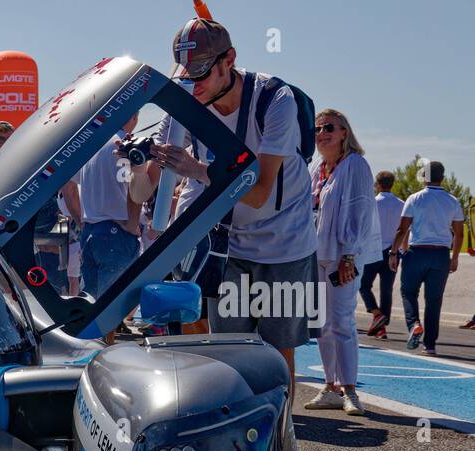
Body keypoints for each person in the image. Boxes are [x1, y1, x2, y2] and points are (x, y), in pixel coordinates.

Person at [131, 17, 318, 383]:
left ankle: (280, 437)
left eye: (200, 73)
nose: (192, 85)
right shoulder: (186, 99)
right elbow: (143, 192)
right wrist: (138, 166)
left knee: (277, 355)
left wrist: (196, 168)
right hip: (230, 245)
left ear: (228, 60)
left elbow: (261, 189)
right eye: (185, 74)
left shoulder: (275, 99)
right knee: (228, 351)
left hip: (286, 244)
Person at [303, 110, 379, 416]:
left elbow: (360, 210)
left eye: (329, 128)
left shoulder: (355, 165)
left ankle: (350, 390)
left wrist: (349, 254)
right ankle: (330, 386)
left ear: (344, 132)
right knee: (320, 326)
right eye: (318, 129)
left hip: (341, 257)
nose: (322, 133)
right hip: (315, 255)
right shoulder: (317, 169)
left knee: (343, 323)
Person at [390, 160, 465, 355]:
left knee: (408, 292)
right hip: (440, 254)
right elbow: (459, 233)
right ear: (442, 177)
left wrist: (394, 252)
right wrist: (454, 257)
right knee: (434, 300)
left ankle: (414, 323)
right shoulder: (453, 201)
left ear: (424, 177)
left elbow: (402, 228)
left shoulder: (415, 198)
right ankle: (430, 345)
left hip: (417, 252)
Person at [74, 112, 141, 306]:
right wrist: (132, 223)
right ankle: (104, 337)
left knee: (91, 302)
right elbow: (134, 188)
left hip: (90, 231)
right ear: (133, 117)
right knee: (110, 306)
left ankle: (93, 337)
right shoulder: (123, 147)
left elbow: (71, 186)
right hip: (115, 232)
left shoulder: (92, 146)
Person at [360, 171, 403, 338]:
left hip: (373, 250)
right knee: (387, 290)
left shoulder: (372, 203)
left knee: (363, 285)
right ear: (391, 184)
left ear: (377, 185)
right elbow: (404, 229)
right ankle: (381, 324)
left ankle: (377, 315)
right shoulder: (401, 204)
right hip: (392, 251)